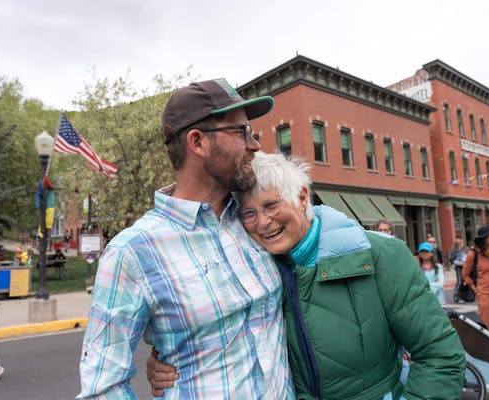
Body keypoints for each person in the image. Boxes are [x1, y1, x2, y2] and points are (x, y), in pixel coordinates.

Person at [148, 151, 465, 399]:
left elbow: (439, 355)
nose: (262, 222)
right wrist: (166, 358)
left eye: (271, 204)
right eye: (249, 213)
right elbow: (216, 329)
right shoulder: (253, 270)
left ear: (301, 197)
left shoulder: (382, 255)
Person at [77, 79, 295, 399]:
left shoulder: (256, 220)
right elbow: (102, 387)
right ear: (197, 142)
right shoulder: (132, 253)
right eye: (241, 133)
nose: (255, 145)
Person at [462, 226, 489, 329]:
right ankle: (483, 345)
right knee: (484, 326)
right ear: (484, 238)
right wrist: (475, 289)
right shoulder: (474, 254)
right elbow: (465, 274)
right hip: (485, 294)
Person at [449, 237, 467, 303]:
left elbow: (464, 258)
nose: (463, 244)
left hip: (463, 267)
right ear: (459, 244)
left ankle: (462, 296)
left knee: (462, 282)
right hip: (459, 268)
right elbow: (452, 261)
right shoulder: (454, 251)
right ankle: (456, 297)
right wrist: (461, 263)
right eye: (461, 243)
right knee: (459, 282)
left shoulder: (462, 250)